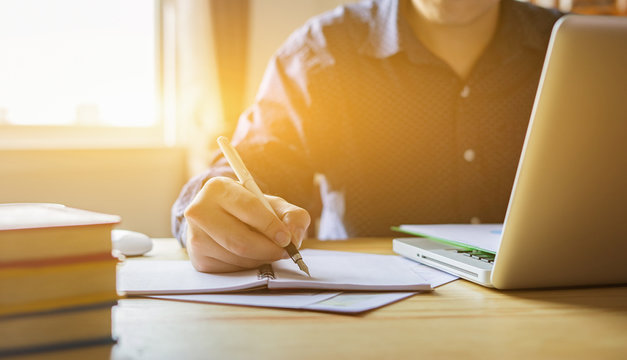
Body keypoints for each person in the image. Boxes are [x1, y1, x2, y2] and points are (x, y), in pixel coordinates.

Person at [172, 0, 562, 273]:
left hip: (569, 300)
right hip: (373, 313)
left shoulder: (581, 46)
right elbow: (255, 164)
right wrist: (215, 208)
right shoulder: (322, 50)